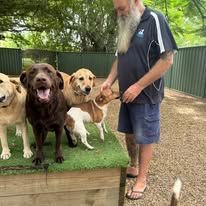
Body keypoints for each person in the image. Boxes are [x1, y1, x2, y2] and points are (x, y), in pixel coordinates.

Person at [101, 0, 178, 200]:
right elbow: (120, 57)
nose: (118, 13)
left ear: (135, 1)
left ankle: (142, 179)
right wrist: (109, 81)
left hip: (146, 94)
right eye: (116, 9)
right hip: (127, 94)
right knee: (129, 132)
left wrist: (139, 85)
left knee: (145, 136)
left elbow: (167, 59)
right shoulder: (126, 23)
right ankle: (133, 167)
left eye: (121, 8)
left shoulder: (155, 19)